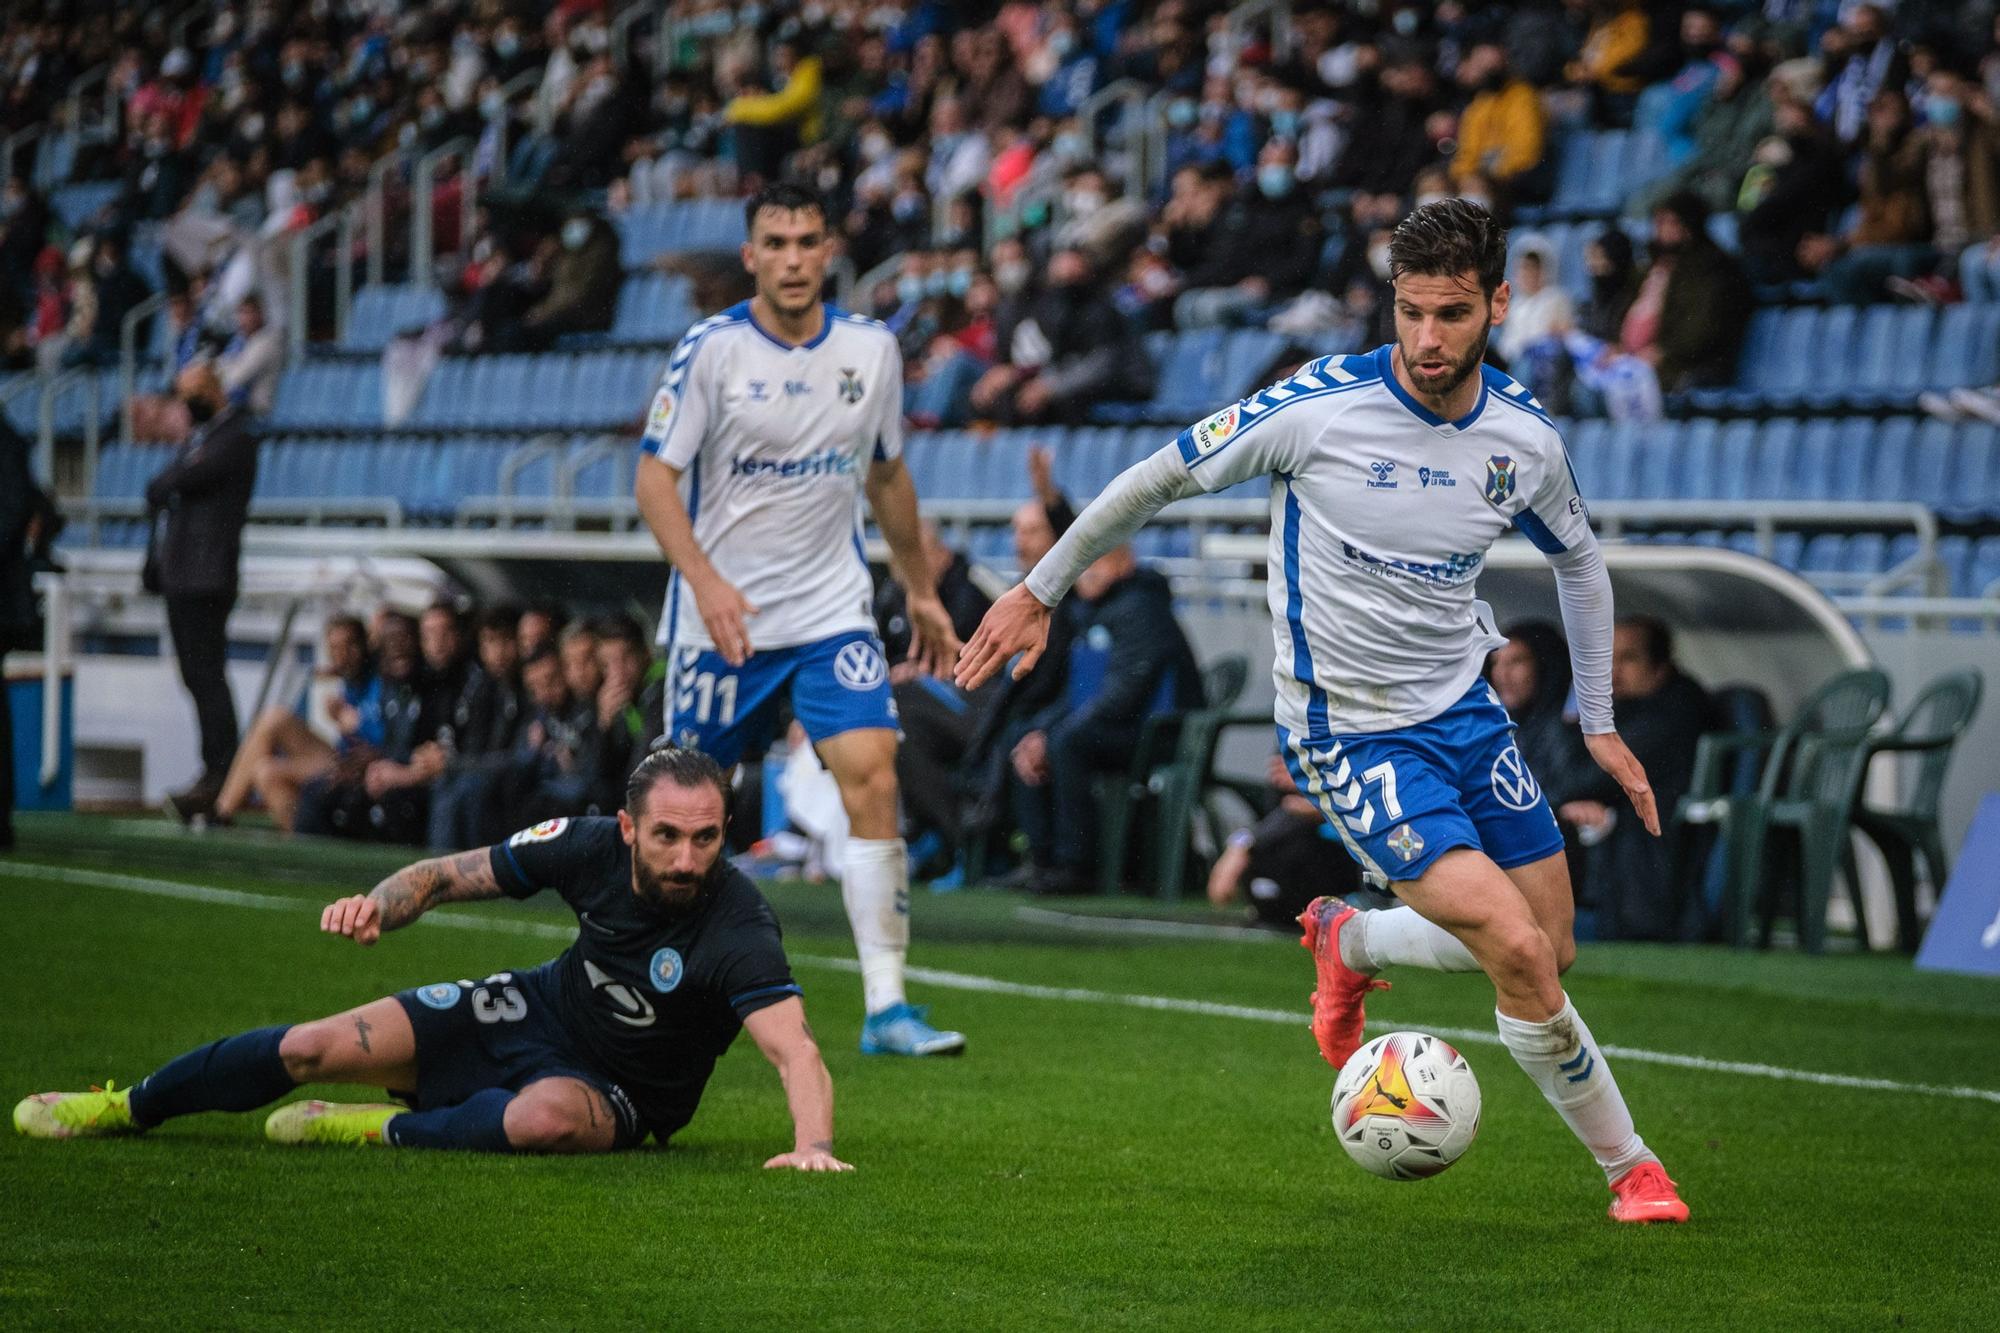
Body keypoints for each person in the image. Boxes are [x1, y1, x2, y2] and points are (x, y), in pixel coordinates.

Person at [958, 200, 1689, 1225]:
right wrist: (1036, 587)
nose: (1426, 340)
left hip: (1469, 718)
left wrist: (1596, 721)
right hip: (1347, 731)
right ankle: (1633, 1170)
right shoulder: (1319, 407)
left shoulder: (1520, 438)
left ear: (1496, 305)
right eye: (1408, 312)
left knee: (1549, 948)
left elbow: (1578, 558)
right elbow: (1156, 475)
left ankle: (1349, 940)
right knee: (1515, 952)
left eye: (1450, 313)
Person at [13, 748, 851, 1171]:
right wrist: (381, 904)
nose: (685, 857)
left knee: (539, 1119)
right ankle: (128, 1105)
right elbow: (446, 875)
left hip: (622, 1090)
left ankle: (375, 1123)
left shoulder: (738, 922)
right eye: (667, 835)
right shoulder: (584, 845)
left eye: (705, 838)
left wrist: (812, 1144)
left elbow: (796, 1049)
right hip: (532, 1009)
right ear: (629, 828)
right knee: (311, 1046)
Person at [633, 183, 966, 1058]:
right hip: (726, 622)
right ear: (751, 255)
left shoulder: (871, 349)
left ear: (830, 252)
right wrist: (703, 582)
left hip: (830, 610)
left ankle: (887, 1006)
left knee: (873, 770)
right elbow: (653, 481)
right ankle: (649, 976)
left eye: (806, 241)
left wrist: (921, 588)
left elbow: (887, 474)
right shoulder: (710, 351)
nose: (790, 257)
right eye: (774, 241)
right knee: (686, 812)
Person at [1008, 544, 1205, 895]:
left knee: (1067, 743)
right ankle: (1040, 860)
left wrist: (1056, 734)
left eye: (1097, 562)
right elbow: (1079, 693)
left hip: (1157, 734)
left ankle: (1077, 866)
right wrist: (1043, 732)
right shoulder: (1091, 613)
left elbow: (1124, 693)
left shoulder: (1142, 607)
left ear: (1125, 561)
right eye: (1082, 564)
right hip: (1119, 726)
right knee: (1026, 735)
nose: (1088, 572)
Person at [1553, 617, 1715, 942]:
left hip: (1653, 856)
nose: (1612, 671)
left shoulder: (1672, 711)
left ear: (1661, 667)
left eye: (1627, 658)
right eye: (1605, 659)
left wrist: (1574, 718)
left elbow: (1583, 779)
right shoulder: (1628, 707)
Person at [147, 363, 260, 821]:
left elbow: (174, 482)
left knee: (207, 675)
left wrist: (170, 481)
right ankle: (212, 769)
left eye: (192, 392)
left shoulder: (235, 438)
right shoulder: (200, 439)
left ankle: (222, 773)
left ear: (214, 389)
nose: (187, 402)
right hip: (184, 576)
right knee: (196, 676)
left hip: (207, 576)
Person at [201, 614, 377, 830]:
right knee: (268, 751)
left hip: (357, 764)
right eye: (335, 648)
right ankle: (226, 813)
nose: (342, 656)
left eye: (350, 646)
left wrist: (356, 724)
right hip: (334, 759)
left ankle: (226, 813)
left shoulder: (376, 682)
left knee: (270, 748)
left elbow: (383, 737)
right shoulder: (334, 682)